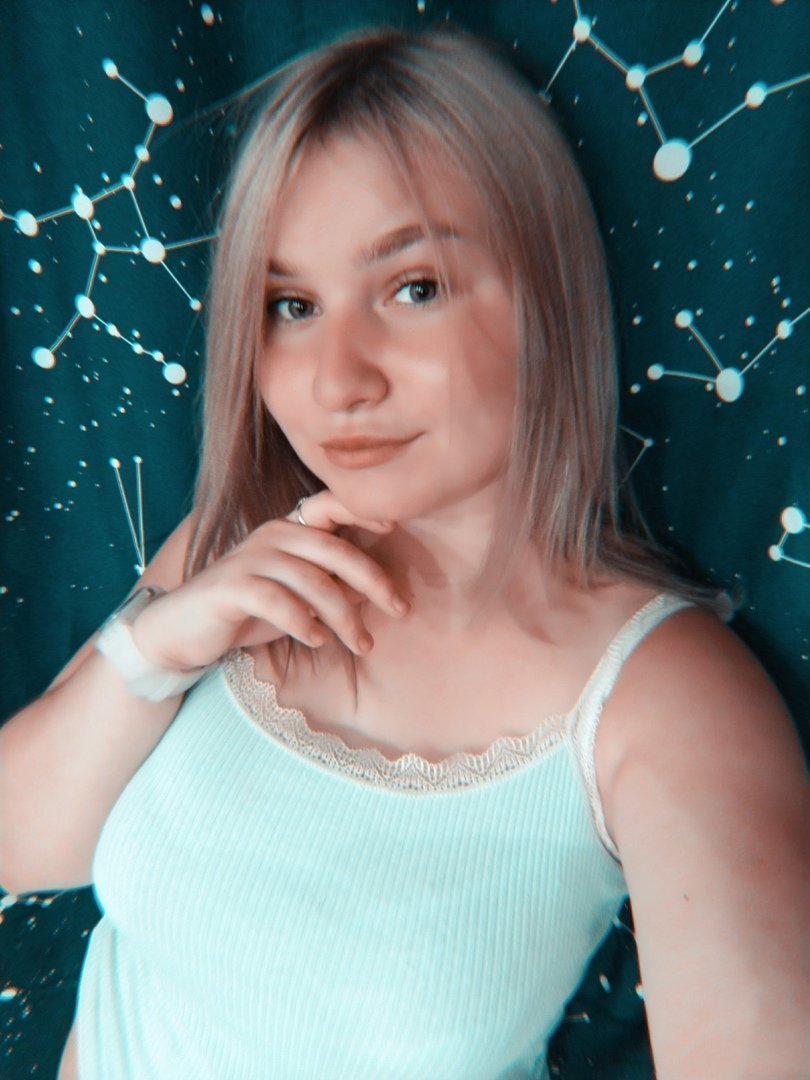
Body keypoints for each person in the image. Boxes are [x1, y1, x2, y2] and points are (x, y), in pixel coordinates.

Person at [1, 25, 807, 1080]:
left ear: (549, 298)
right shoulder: (235, 545)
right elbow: (24, 848)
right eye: (291, 306)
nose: (339, 380)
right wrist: (156, 646)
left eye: (412, 288)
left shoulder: (660, 694)